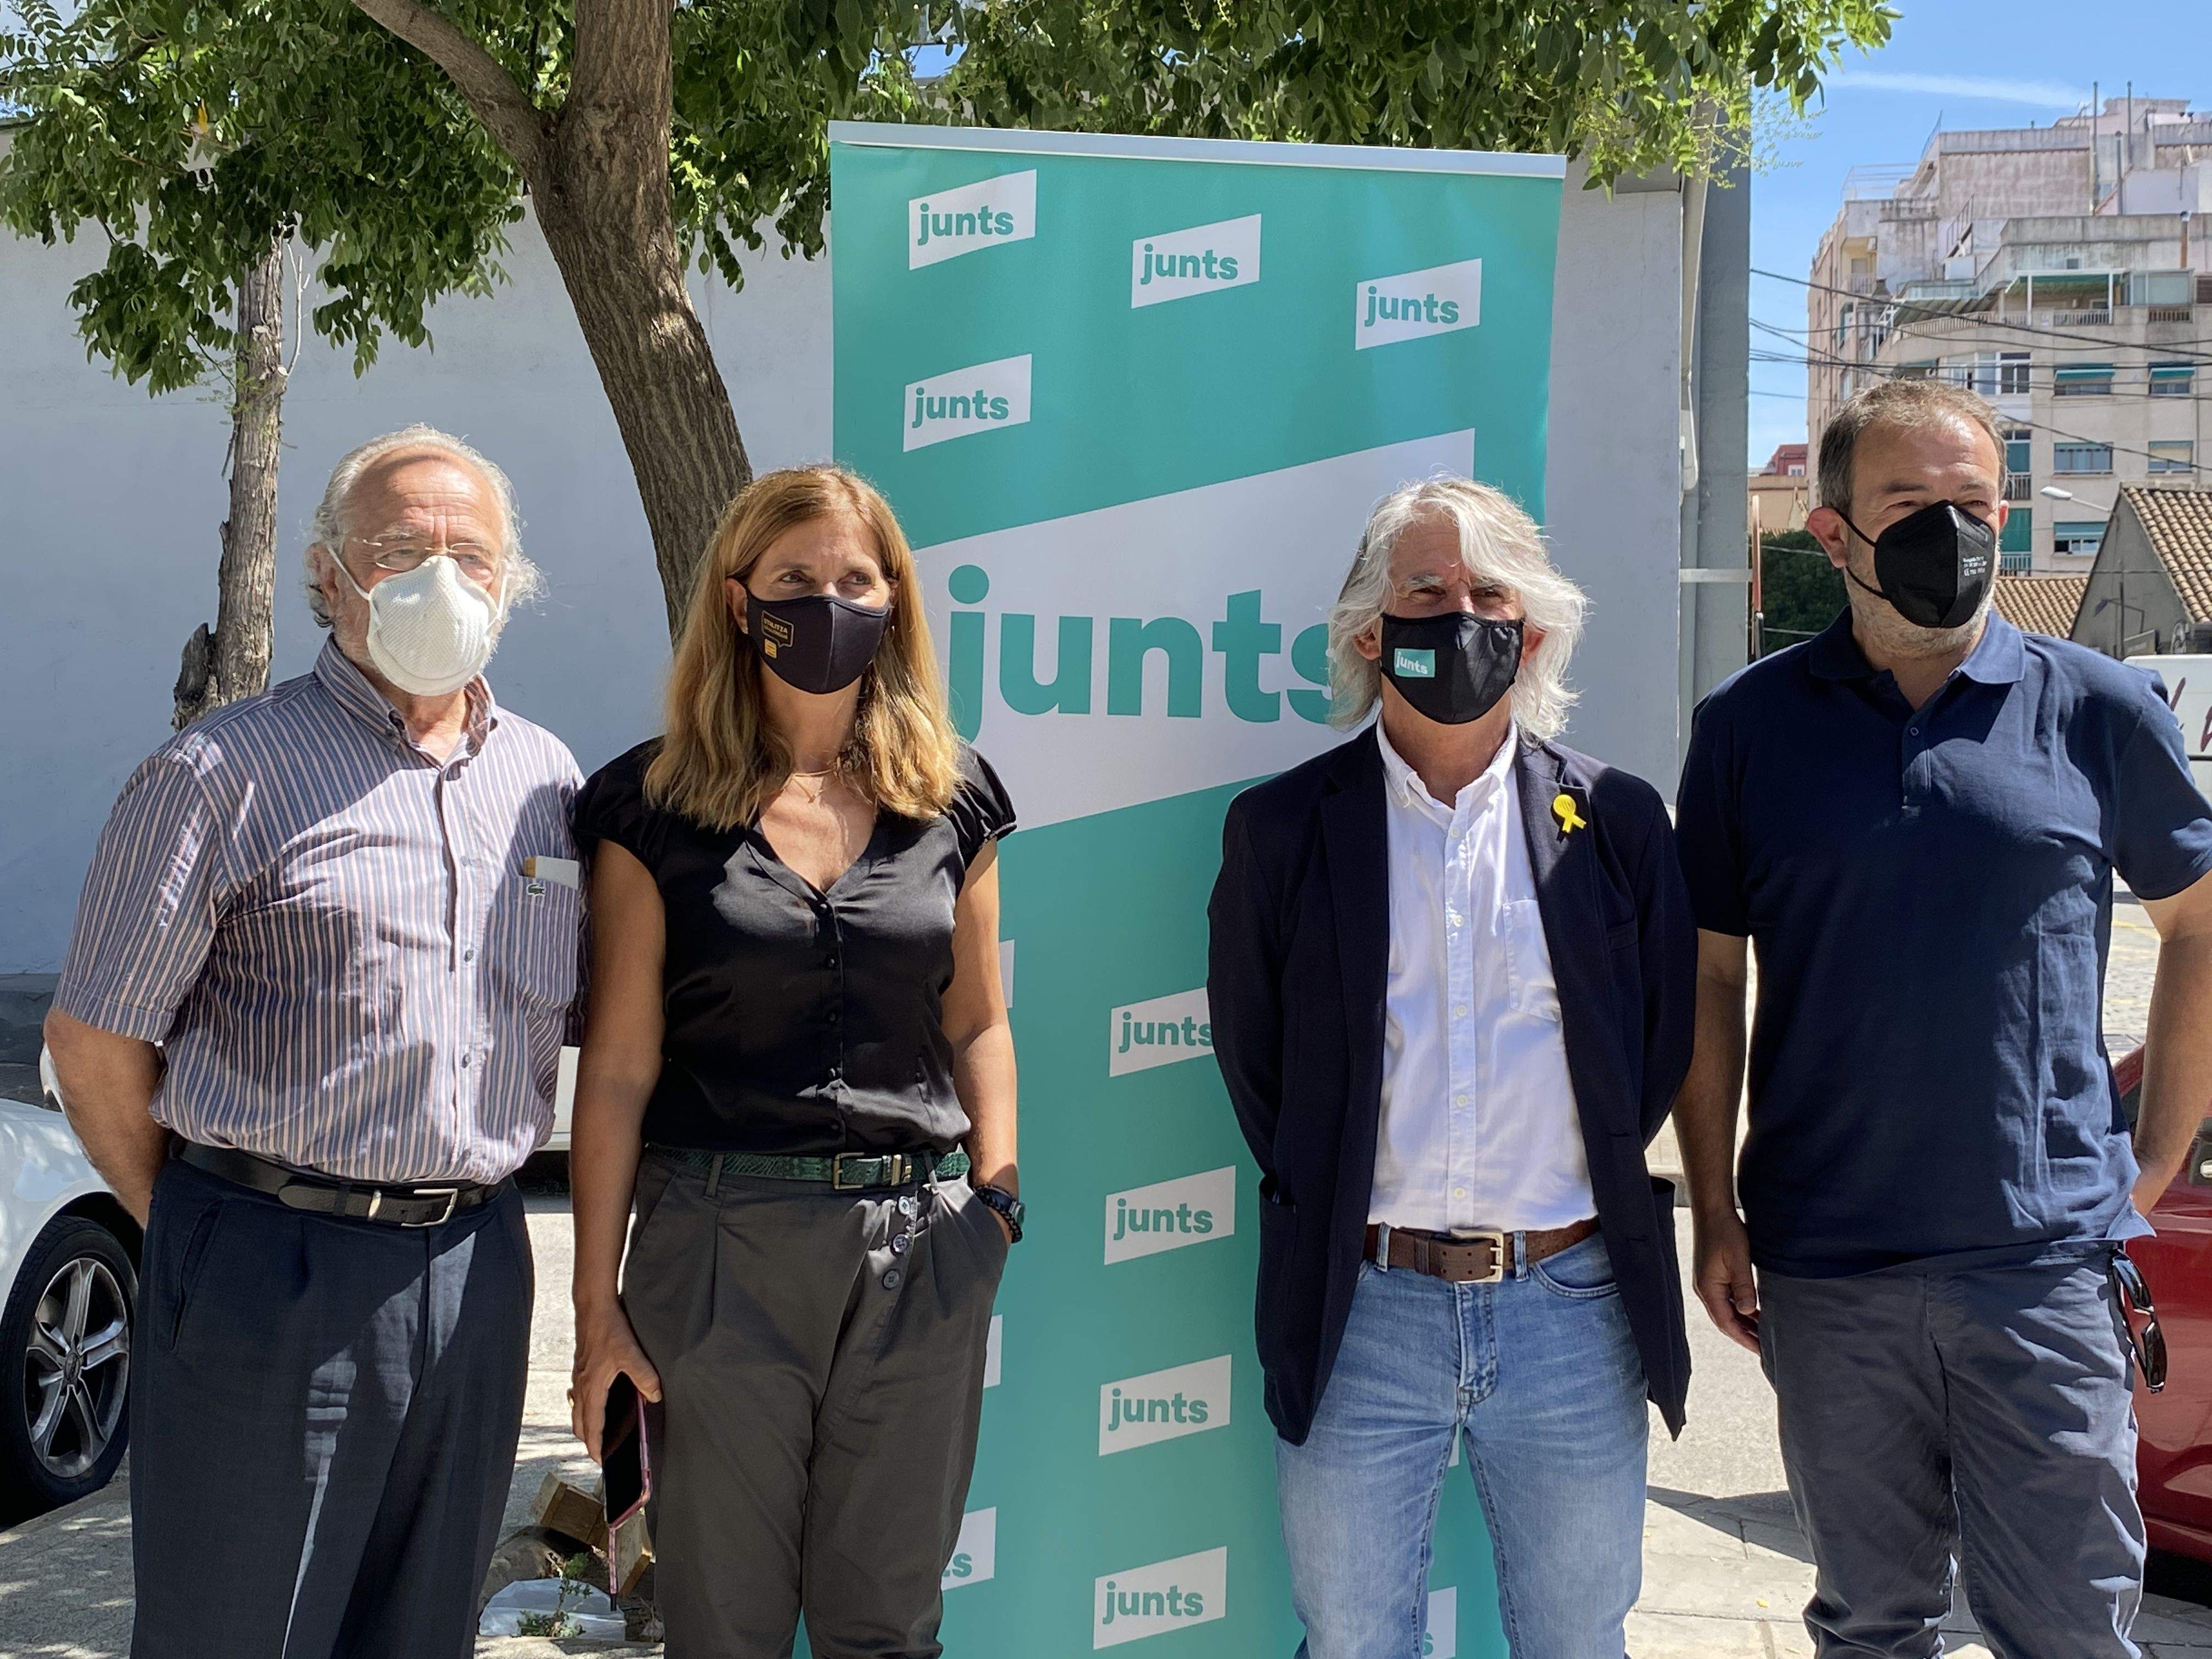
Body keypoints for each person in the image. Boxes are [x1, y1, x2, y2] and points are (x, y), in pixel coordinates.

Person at [1674, 377, 2212, 1658]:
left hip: (2041, 1269)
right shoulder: (1748, 728)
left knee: (2071, 1631)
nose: (1950, 532)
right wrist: (1716, 1206)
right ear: (1832, 531)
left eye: (1974, 503)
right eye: (1910, 502)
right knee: (1872, 1625)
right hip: (1829, 1267)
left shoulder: (2100, 708)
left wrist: (2151, 1162)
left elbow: (2198, 923)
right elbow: (1710, 977)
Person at [43, 426, 580, 1659]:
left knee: (423, 1626)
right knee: (239, 1629)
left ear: (511, 585)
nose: (440, 579)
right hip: (269, 1262)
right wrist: (198, 1224)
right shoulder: (219, 773)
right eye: (399, 549)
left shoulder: (548, 783)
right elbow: (95, 1039)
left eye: (471, 555)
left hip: (479, 1263)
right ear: (329, 577)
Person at [1207, 476, 1696, 1659]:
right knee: (1353, 1641)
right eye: (1426, 592)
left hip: (1571, 1307)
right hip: (1363, 1308)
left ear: (1533, 633)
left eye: (1489, 595)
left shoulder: (1617, 821)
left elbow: (1653, 1053)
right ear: (1368, 633)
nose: (1460, 616)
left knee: (1579, 1640)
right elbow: (1262, 1068)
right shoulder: (1281, 830)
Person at [566, 464, 1019, 1658]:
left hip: (917, 1249)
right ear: (739, 600)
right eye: (795, 578)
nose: (828, 602)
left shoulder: (953, 798)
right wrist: (596, 1306)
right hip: (719, 1248)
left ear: (894, 601)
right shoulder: (651, 802)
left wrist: (997, 1201)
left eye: (856, 580)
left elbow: (979, 1021)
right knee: (725, 1627)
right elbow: (617, 1067)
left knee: (888, 1627)